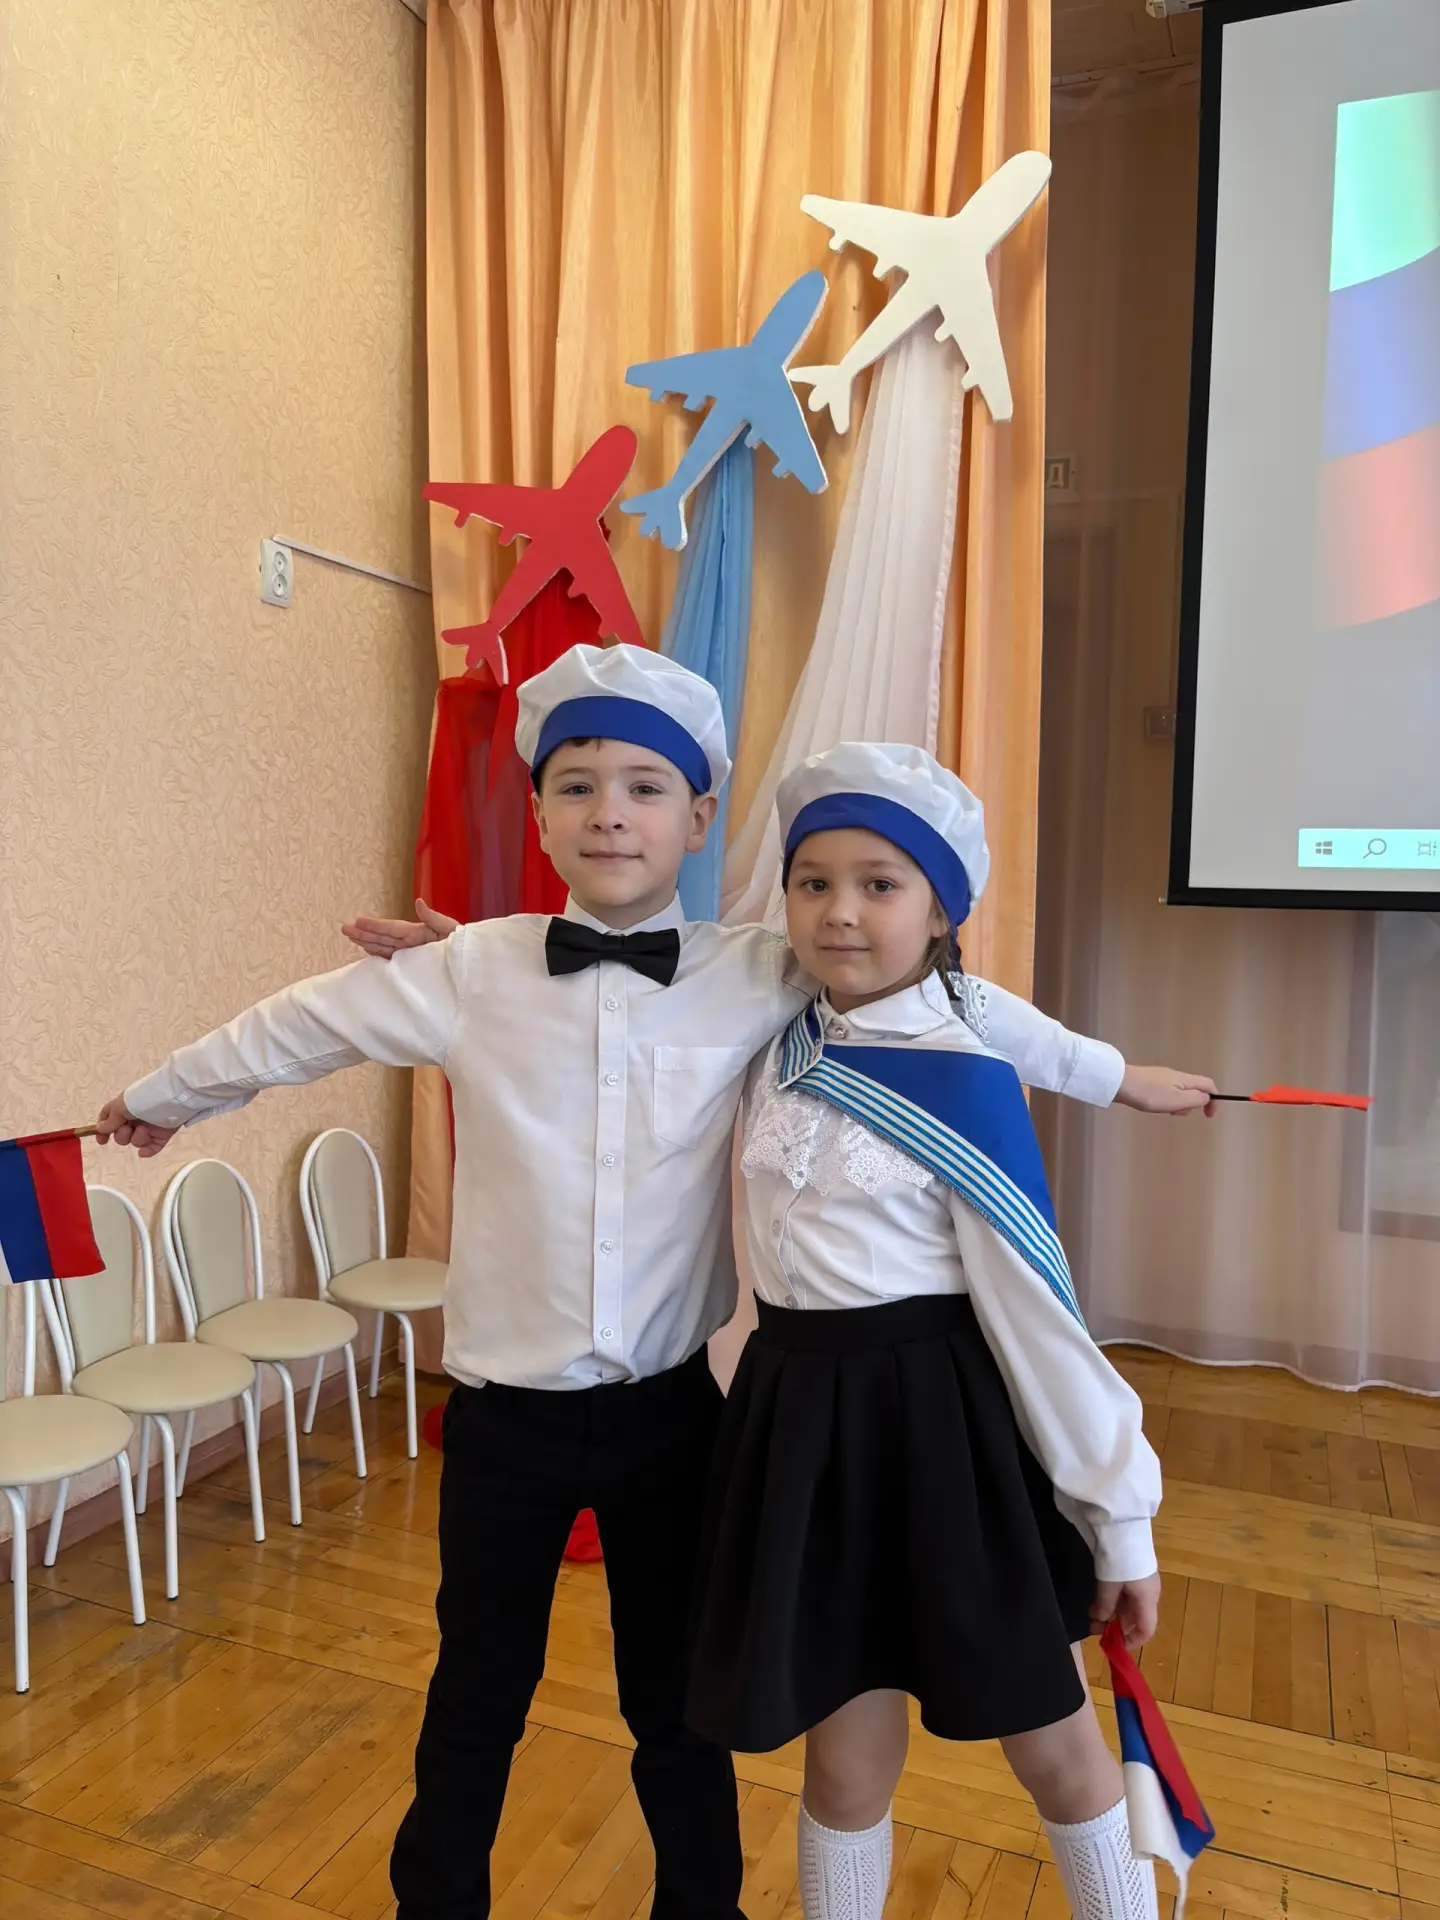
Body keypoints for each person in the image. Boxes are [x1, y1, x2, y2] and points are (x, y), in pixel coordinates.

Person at [95, 646, 1203, 1920]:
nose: (610, 813)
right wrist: (165, 1095)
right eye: (576, 786)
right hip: (504, 1419)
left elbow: (945, 995)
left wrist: (1115, 1077)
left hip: (677, 1419)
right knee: (475, 1694)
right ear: (539, 814)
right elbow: (298, 1024)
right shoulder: (472, 971)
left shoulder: (766, 968)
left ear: (698, 814)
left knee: (680, 1706)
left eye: (644, 787)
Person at [684, 742, 1165, 1920]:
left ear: (942, 910)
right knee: (844, 1760)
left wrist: (1121, 1521)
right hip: (802, 1433)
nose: (840, 912)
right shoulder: (778, 1038)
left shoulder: (964, 1079)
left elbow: (1042, 1322)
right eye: (812, 882)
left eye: (881, 884)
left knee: (1051, 1740)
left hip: (946, 1436)